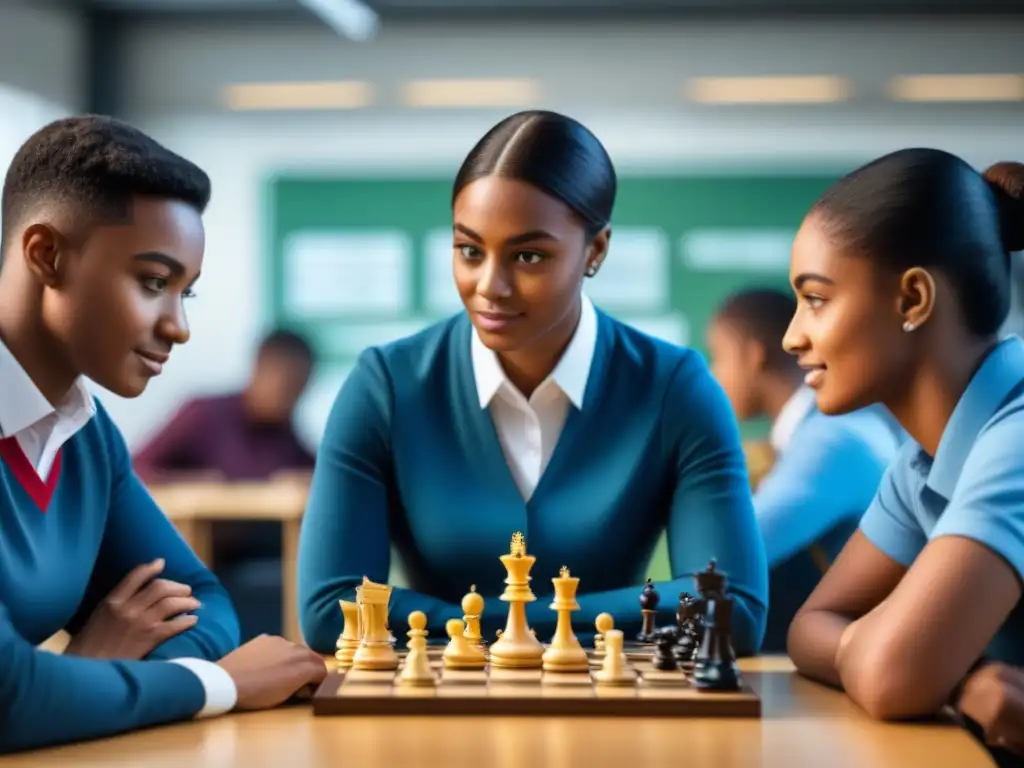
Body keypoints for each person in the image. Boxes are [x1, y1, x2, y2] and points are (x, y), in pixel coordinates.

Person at [297, 110, 769, 656]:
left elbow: (733, 610)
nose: (489, 286)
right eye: (470, 251)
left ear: (596, 251)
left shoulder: (675, 389)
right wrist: (558, 622)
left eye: (528, 256)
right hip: (430, 719)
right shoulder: (386, 386)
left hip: (616, 718)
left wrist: (471, 623)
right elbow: (329, 609)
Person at [0, 116, 325, 754]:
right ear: (47, 255)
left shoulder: (86, 436)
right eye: (153, 282)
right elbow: (11, 694)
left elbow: (205, 605)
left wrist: (81, 679)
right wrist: (214, 685)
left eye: (186, 294)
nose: (178, 327)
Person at [781, 148, 1024, 761]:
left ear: (914, 299)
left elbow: (892, 674)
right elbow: (810, 628)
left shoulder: (1016, 437)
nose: (792, 336)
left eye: (816, 299)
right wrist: (961, 678)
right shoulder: (922, 461)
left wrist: (915, 663)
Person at [706, 287, 904, 651]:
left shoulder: (830, 440)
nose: (714, 374)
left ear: (753, 356)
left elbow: (728, 555)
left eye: (719, 357)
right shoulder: (814, 434)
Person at [133, 328, 317, 640]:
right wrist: (193, 486)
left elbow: (316, 476)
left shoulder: (285, 434)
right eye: (285, 385)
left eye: (299, 389)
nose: (289, 398)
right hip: (199, 558)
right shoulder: (205, 414)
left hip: (259, 558)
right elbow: (137, 468)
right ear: (260, 369)